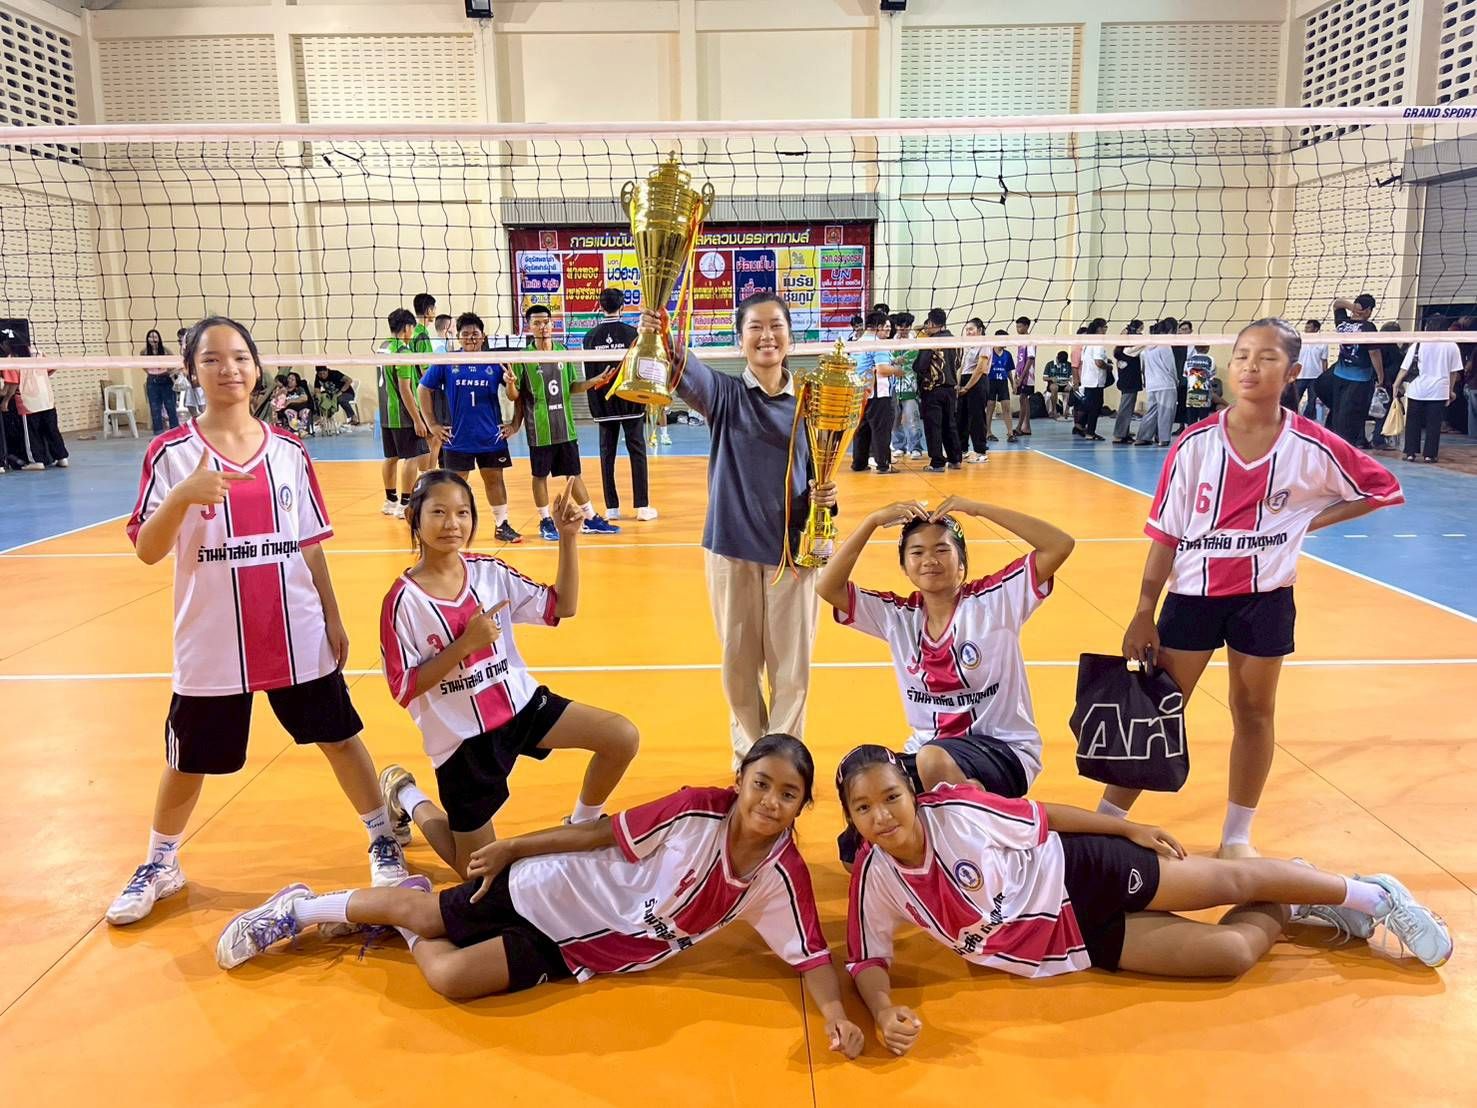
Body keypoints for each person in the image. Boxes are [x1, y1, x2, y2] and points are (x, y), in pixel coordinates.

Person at [216, 735, 866, 1062]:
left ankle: (406, 885)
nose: (770, 802)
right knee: (424, 913)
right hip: (553, 890)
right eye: (760, 784)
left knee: (451, 978)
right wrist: (515, 848)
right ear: (740, 780)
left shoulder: (781, 876)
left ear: (802, 806)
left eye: (787, 794)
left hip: (580, 952)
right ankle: (298, 909)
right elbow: (597, 833)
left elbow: (810, 955)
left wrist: (835, 1015)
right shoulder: (696, 810)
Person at [839, 747, 1451, 1056]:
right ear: (851, 817)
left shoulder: (957, 812)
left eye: (891, 797)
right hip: (1071, 942)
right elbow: (867, 958)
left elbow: (1045, 817)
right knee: (1232, 953)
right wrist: (884, 1010)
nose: (881, 816)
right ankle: (1293, 893)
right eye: (863, 808)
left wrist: (1126, 829)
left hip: (1081, 872)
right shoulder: (874, 877)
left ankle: (1375, 896)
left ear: (911, 793)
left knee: (1230, 883)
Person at [107, 316, 409, 927]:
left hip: (295, 629)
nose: (230, 369)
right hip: (213, 639)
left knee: (339, 736)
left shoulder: (290, 450)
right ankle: (160, 863)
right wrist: (183, 495)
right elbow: (147, 550)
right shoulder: (171, 454)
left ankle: (383, 839)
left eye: (241, 357)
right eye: (212, 359)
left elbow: (311, 544)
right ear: (191, 371)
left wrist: (332, 616)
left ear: (257, 365)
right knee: (188, 759)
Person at [1111, 318, 1404, 859]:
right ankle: (1107, 822)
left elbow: (1381, 488)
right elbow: (1165, 534)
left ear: (1293, 372)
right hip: (1192, 598)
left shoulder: (1313, 444)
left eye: (1267, 357)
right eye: (1243, 355)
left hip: (1265, 599)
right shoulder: (1194, 444)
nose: (1250, 365)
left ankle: (1237, 837)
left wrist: (1305, 521)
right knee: (1158, 709)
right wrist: (1144, 609)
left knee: (1254, 713)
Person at [377, 470, 638, 877]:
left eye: (463, 512)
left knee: (621, 736)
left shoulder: (489, 572)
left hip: (521, 707)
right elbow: (403, 687)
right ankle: (405, 793)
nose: (452, 523)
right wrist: (464, 646)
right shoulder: (402, 602)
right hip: (463, 740)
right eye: (439, 512)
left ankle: (581, 825)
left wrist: (568, 538)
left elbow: (561, 606)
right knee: (477, 873)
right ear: (414, 516)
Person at [816, 495, 1074, 865]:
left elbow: (1060, 544)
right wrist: (872, 521)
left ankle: (982, 853)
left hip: (1004, 751)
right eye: (917, 552)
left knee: (934, 759)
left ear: (962, 564)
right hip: (928, 754)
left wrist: (979, 508)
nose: (930, 560)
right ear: (904, 566)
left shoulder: (996, 600)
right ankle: (967, 817)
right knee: (854, 847)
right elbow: (827, 586)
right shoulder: (899, 616)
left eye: (942, 550)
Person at [642, 293, 837, 766]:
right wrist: (660, 331)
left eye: (776, 326)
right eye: (755, 327)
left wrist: (827, 500)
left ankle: (785, 759)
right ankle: (752, 759)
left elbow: (820, 469)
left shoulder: (812, 402)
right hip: (731, 548)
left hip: (793, 552)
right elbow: (684, 368)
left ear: (790, 336)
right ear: (740, 339)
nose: (767, 336)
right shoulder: (725, 395)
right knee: (739, 665)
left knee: (792, 669)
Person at [506, 304, 620, 542]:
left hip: (565, 427)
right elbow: (515, 396)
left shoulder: (563, 351)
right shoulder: (522, 357)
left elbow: (571, 387)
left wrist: (594, 381)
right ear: (529, 327)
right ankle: (545, 521)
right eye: (537, 323)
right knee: (540, 476)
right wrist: (510, 384)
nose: (543, 327)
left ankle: (590, 518)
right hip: (540, 429)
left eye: (546, 322)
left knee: (573, 474)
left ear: (552, 324)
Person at [418, 312, 523, 544]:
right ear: (458, 337)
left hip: (491, 436)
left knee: (494, 480)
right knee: (455, 485)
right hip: (458, 437)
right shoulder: (447, 362)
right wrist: (432, 424)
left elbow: (515, 396)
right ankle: (452, 527)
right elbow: (423, 389)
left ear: (483, 336)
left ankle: (501, 525)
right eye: (465, 334)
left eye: (475, 334)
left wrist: (514, 422)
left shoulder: (495, 362)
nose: (470, 338)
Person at [582, 288, 655, 520]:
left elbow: (588, 374)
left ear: (600, 307)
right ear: (622, 307)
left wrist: (596, 404)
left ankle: (611, 508)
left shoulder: (589, 337)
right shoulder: (633, 334)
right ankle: (642, 507)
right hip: (630, 401)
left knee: (607, 455)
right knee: (638, 452)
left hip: (604, 404)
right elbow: (641, 369)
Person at [380, 308, 433, 519]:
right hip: (402, 414)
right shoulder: (404, 353)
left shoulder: (383, 347)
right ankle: (404, 504)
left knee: (391, 457)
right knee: (411, 457)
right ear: (407, 327)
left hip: (386, 413)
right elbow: (405, 389)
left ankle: (389, 501)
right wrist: (417, 419)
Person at [1393, 314, 1463, 464]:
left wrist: (1396, 384)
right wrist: (1450, 391)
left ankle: (1410, 453)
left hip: (1417, 389)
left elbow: (1405, 368)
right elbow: (1453, 372)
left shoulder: (1418, 344)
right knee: (1434, 425)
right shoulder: (1452, 345)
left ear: (1427, 327)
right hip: (1439, 391)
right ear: (1446, 328)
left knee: (1413, 422)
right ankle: (1429, 455)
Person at [1328, 294, 1384, 447]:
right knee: (1352, 417)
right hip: (1359, 379)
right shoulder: (1368, 327)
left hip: (1339, 375)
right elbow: (1374, 353)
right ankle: (1345, 446)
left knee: (1338, 412)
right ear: (1368, 310)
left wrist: (1352, 307)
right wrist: (1380, 375)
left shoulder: (1342, 323)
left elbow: (1337, 304)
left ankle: (1335, 443)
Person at [851, 308, 900, 474]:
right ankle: (883, 465)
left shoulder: (857, 342)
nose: (888, 330)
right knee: (881, 429)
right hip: (878, 393)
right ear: (877, 326)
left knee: (862, 429)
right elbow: (882, 369)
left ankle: (859, 463)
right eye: (885, 326)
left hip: (860, 393)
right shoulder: (878, 344)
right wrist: (897, 370)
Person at [916, 308, 962, 471]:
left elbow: (920, 366)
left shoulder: (931, 342)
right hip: (951, 389)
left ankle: (937, 463)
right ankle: (955, 460)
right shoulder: (956, 341)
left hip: (933, 389)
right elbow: (957, 364)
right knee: (950, 424)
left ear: (931, 323)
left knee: (933, 426)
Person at [12, 343, 68, 467]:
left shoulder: (12, 357)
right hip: (46, 397)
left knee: (32, 432)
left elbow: (13, 381)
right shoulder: (38, 352)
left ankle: (37, 461)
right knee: (52, 430)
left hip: (28, 400)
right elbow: (53, 367)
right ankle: (62, 458)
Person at [1135, 321, 1179, 447]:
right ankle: (1163, 438)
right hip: (1166, 384)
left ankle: (1143, 437)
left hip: (1152, 384)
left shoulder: (1148, 347)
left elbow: (1144, 366)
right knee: (1166, 411)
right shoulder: (1165, 346)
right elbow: (1170, 367)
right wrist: (1176, 380)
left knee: (1152, 411)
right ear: (1169, 331)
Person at [888, 311, 923, 459]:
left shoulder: (915, 343)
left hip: (910, 386)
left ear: (910, 327)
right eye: (900, 327)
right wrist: (894, 361)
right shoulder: (890, 342)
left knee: (912, 419)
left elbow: (912, 361)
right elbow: (888, 360)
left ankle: (915, 448)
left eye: (906, 327)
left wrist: (898, 361)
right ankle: (898, 446)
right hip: (893, 386)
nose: (903, 330)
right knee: (894, 419)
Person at [955, 318, 990, 459]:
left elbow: (980, 368)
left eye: (971, 329)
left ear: (979, 330)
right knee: (961, 417)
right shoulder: (967, 345)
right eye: (967, 329)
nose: (968, 332)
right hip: (964, 381)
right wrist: (959, 384)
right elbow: (962, 366)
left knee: (977, 418)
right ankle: (962, 450)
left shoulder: (985, 343)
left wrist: (967, 387)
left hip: (977, 382)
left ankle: (981, 452)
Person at [1075, 318, 1110, 440]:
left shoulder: (1087, 343)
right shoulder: (1098, 343)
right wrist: (1109, 366)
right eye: (1105, 327)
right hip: (1095, 381)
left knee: (1089, 406)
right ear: (1099, 329)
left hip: (1088, 380)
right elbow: (1099, 362)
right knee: (1096, 407)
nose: (1106, 329)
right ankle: (1090, 432)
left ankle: (1080, 425)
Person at [141, 329, 180, 434]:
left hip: (166, 380)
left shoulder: (166, 351)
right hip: (152, 381)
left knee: (170, 407)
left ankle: (175, 431)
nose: (153, 339)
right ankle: (158, 433)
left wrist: (168, 371)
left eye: (155, 337)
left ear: (159, 338)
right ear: (147, 339)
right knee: (155, 408)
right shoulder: (144, 352)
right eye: (150, 337)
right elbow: (142, 365)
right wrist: (151, 372)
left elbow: (174, 363)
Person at [1112, 319, 1144, 444]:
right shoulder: (1128, 350)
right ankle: (1119, 435)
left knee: (1128, 409)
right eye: (1140, 330)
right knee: (1125, 409)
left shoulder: (1123, 350)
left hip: (1128, 382)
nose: (1141, 333)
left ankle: (1124, 432)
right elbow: (1145, 343)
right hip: (1129, 383)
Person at [981, 328, 1015, 445]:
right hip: (990, 381)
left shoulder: (1007, 355)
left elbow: (1009, 370)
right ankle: (988, 432)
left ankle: (1010, 433)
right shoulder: (989, 352)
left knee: (1006, 406)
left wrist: (1013, 383)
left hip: (1002, 382)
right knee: (990, 406)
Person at [1295, 320, 1328, 419]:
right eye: (1306, 327)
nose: (1306, 329)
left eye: (1309, 327)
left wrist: (1324, 376)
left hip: (1315, 377)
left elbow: (1324, 360)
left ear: (1316, 329)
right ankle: (1292, 418)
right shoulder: (1299, 340)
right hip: (1300, 375)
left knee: (1312, 401)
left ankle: (1307, 420)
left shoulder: (1322, 342)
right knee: (1295, 399)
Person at [1011, 315, 1036, 437]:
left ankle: (1019, 427)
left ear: (1026, 326)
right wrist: (1016, 375)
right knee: (1024, 400)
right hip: (1020, 375)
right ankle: (1027, 427)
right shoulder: (1020, 342)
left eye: (1020, 326)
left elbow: (1030, 359)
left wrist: (1022, 377)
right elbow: (1020, 360)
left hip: (1027, 377)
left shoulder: (1030, 341)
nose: (1018, 329)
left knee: (1023, 399)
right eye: (1017, 327)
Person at [1183, 344, 1217, 426]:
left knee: (1191, 422)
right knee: (1203, 421)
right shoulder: (1210, 359)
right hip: (1204, 394)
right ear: (1208, 348)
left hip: (1191, 394)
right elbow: (1212, 378)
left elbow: (1185, 375)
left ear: (1195, 347)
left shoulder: (1188, 360)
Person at [1043, 349, 1072, 418]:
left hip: (1065, 384)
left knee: (1071, 389)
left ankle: (1067, 411)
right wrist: (1051, 378)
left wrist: (1069, 384)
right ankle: (1054, 410)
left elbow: (1071, 378)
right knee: (1054, 388)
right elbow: (1044, 378)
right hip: (1054, 384)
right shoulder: (1050, 364)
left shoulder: (1068, 365)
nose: (1061, 364)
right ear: (1057, 358)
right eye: (1060, 362)